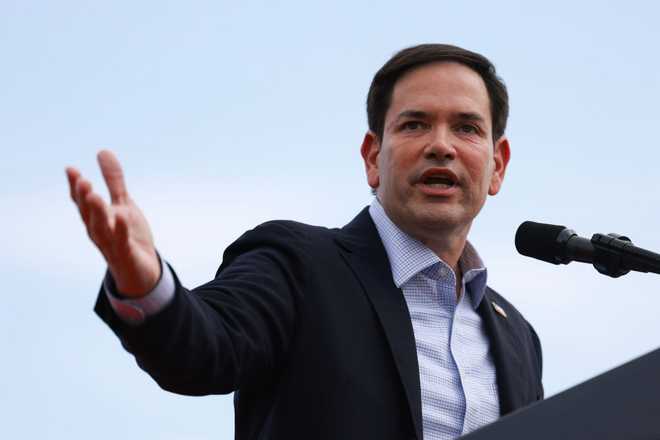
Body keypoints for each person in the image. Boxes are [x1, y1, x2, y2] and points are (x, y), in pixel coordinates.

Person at [66, 44, 543, 440]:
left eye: (467, 127)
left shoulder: (517, 338)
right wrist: (144, 280)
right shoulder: (298, 265)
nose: (442, 144)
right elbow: (201, 350)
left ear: (497, 165)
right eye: (414, 124)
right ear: (373, 157)